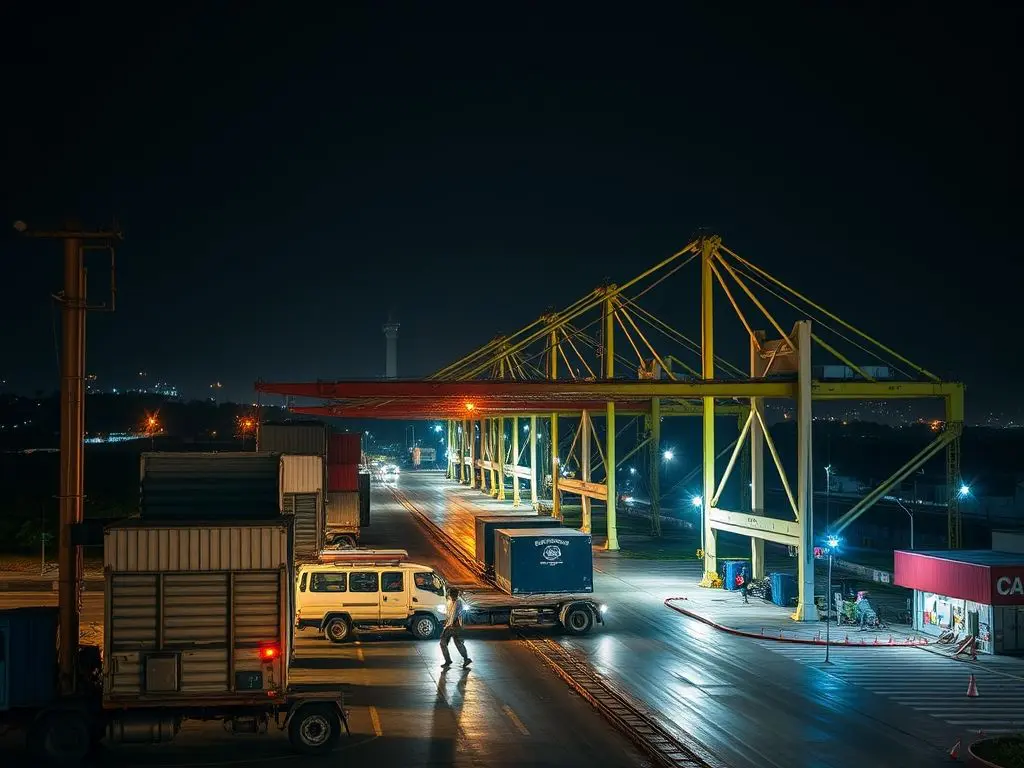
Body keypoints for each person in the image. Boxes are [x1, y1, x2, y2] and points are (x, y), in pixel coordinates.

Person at [440, 587, 471, 669]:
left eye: (453, 595)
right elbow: (449, 614)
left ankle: (461, 659)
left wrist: (452, 624)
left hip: (454, 627)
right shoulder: (450, 602)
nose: (452, 596)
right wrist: (446, 622)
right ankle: (461, 659)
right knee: (450, 644)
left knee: (456, 644)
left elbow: (458, 615)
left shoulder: (459, 603)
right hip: (451, 626)